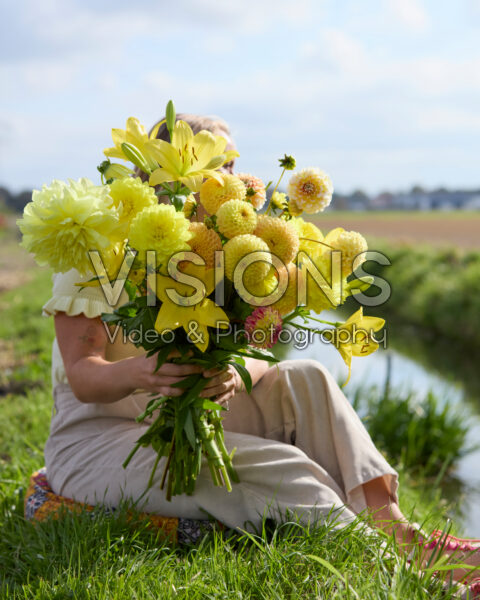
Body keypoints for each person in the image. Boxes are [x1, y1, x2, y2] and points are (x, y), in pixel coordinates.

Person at [43, 113, 480, 590]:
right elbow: (83, 376)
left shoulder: (223, 247)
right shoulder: (98, 247)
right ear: (162, 167)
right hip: (101, 439)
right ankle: (402, 576)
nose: (232, 178)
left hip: (172, 414)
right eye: (218, 163)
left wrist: (231, 368)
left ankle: (398, 531)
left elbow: (234, 348)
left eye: (233, 163)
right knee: (287, 470)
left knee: (307, 376)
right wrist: (144, 371)